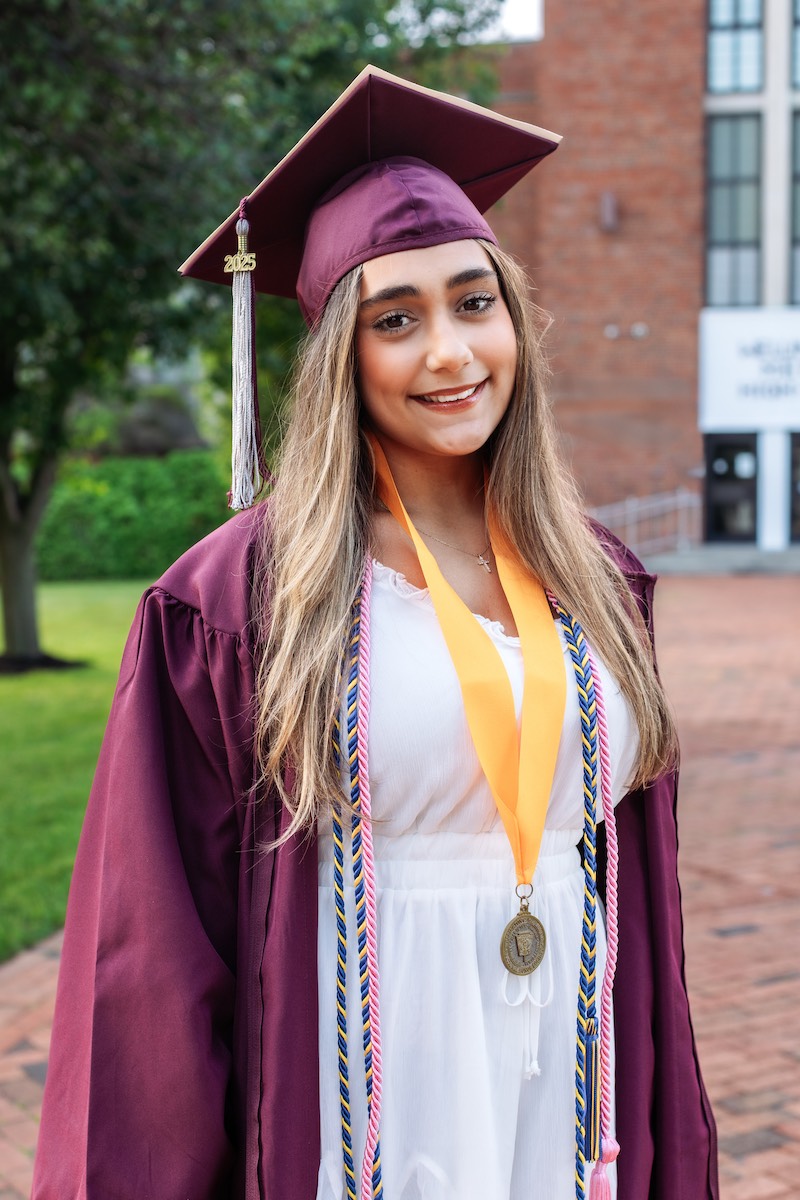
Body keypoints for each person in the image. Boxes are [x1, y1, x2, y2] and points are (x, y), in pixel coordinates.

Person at [32, 66, 718, 1200]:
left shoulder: (596, 576)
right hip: (362, 1078)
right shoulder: (239, 600)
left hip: (563, 1068)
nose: (449, 353)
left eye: (472, 301)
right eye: (394, 319)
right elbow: (149, 959)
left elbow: (638, 898)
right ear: (339, 355)